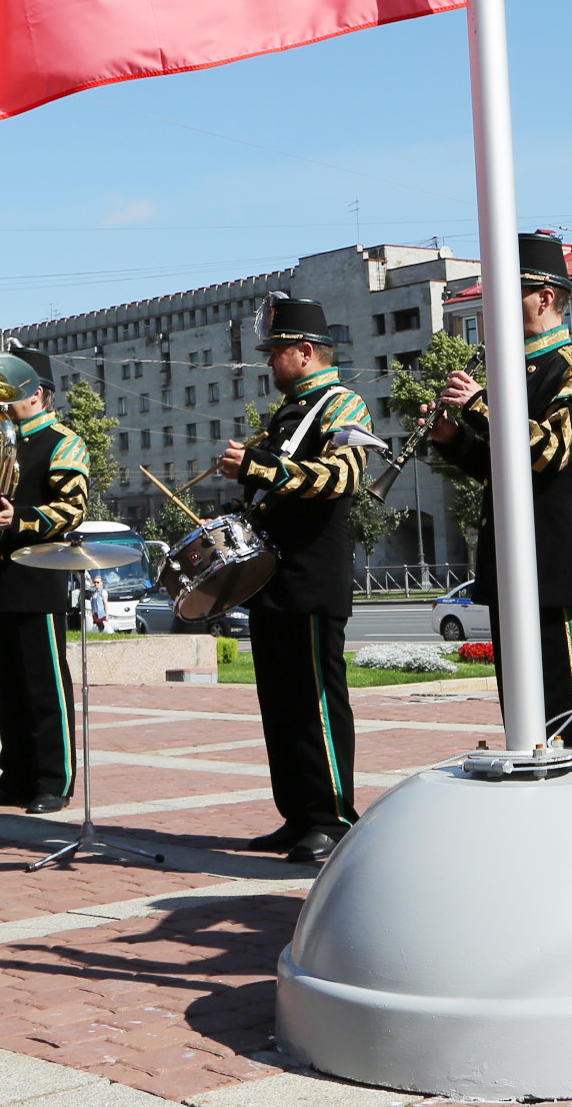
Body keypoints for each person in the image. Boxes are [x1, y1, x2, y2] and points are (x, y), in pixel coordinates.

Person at [427, 232, 572, 760]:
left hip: (551, 560)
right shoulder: (505, 371)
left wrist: (482, 404)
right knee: (520, 707)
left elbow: (549, 451)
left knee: (567, 703)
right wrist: (453, 440)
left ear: (543, 297)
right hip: (508, 557)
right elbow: (500, 471)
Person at [219, 295, 373, 864]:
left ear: (304, 352)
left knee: (315, 705)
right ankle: (298, 813)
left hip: (311, 579)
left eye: (276, 352)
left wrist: (258, 466)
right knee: (280, 707)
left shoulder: (342, 404)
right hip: (273, 579)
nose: (269, 363)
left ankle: (332, 816)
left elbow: (343, 475)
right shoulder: (290, 411)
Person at [0, 346, 91, 815]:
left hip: (39, 574)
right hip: (1, 574)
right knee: (9, 687)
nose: (0, 395)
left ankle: (53, 781)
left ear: (37, 392)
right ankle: (14, 778)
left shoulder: (62, 440)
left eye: (11, 385)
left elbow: (71, 508)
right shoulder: (0, 441)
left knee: (43, 686)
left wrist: (16, 518)